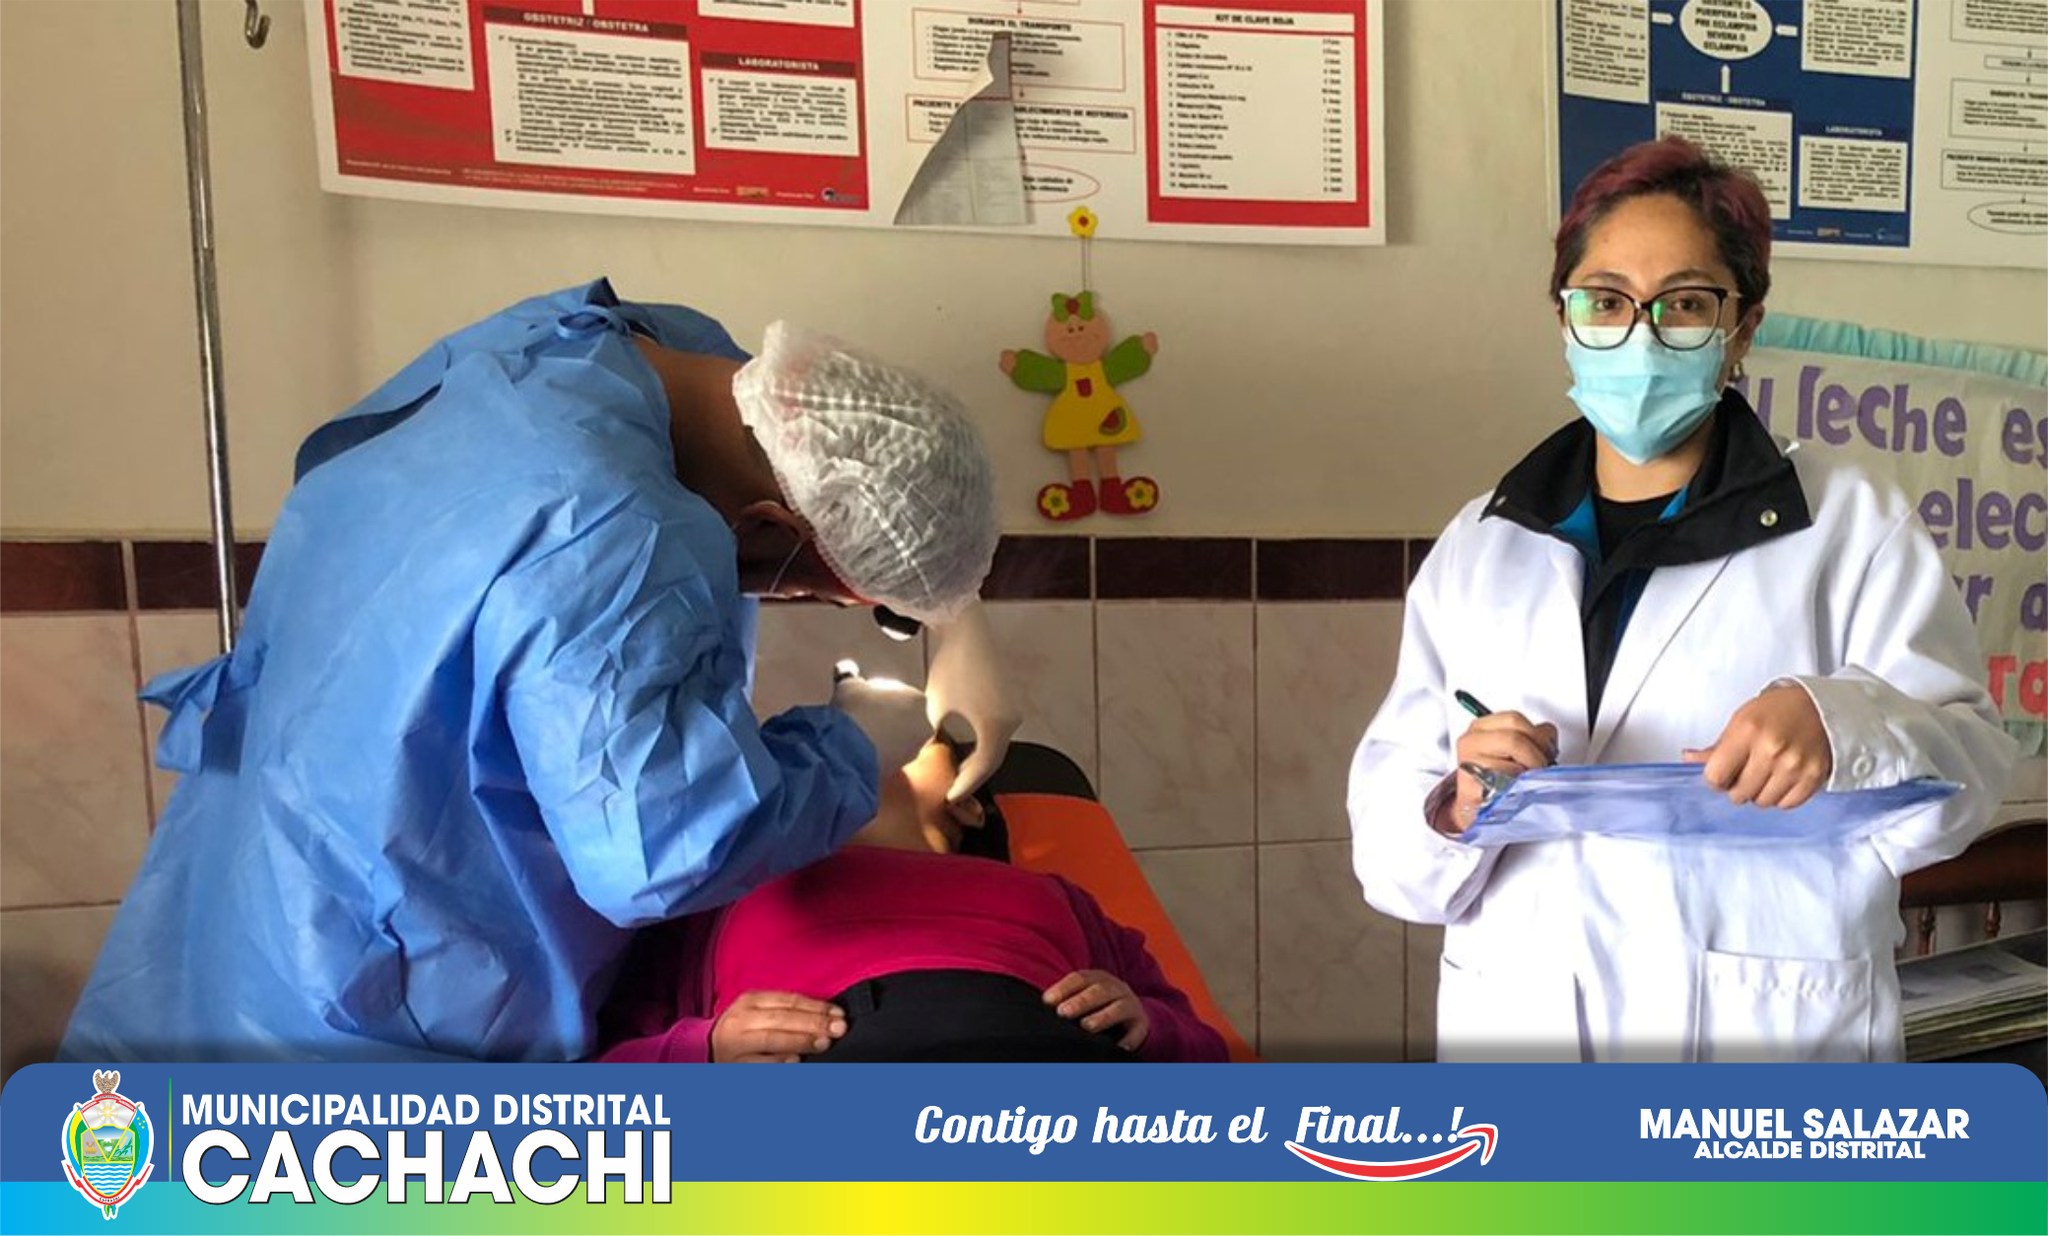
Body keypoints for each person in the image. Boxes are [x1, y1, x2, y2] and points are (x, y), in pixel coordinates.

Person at [61, 279, 1018, 1063]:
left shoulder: (600, 351)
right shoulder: (612, 533)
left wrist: (949, 603)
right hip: (367, 1007)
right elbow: (665, 853)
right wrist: (854, 748)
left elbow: (850, 456)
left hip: (250, 891)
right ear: (767, 529)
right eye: (817, 592)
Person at [1348, 138, 2018, 1063]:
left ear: (1741, 329)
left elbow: (1970, 777)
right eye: (1606, 300)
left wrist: (1842, 726)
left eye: (1686, 303)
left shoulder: (1850, 523)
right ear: (1564, 317)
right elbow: (1390, 858)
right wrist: (1457, 805)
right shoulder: (1484, 544)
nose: (1642, 334)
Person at [597, 740, 1229, 1063]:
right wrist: (707, 1050)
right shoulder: (724, 892)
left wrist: (1148, 1026)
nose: (854, 742)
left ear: (966, 799)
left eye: (914, 734)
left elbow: (1207, 1055)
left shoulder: (1054, 894)